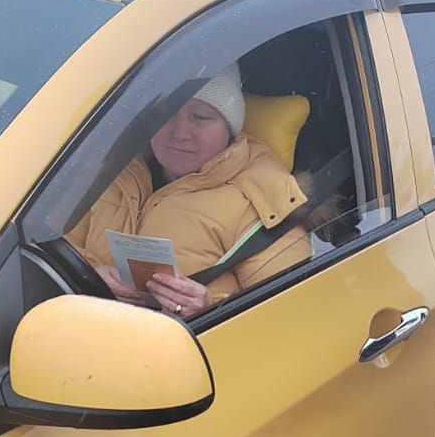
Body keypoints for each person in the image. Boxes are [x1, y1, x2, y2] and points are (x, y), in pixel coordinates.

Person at [67, 66, 311, 318]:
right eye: (165, 114)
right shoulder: (112, 171)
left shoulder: (265, 199)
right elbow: (47, 250)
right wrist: (90, 274)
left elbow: (291, 317)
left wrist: (210, 311)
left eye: (201, 117)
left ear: (230, 127)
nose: (180, 133)